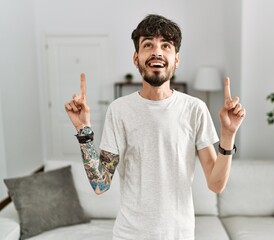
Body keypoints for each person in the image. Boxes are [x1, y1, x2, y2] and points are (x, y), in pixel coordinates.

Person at [64, 14, 246, 240]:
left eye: (166, 45)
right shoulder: (119, 110)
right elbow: (100, 184)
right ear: (136, 57)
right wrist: (84, 132)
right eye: (148, 44)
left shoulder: (194, 109)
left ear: (176, 59)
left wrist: (228, 135)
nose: (157, 51)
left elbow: (216, 184)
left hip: (179, 235)